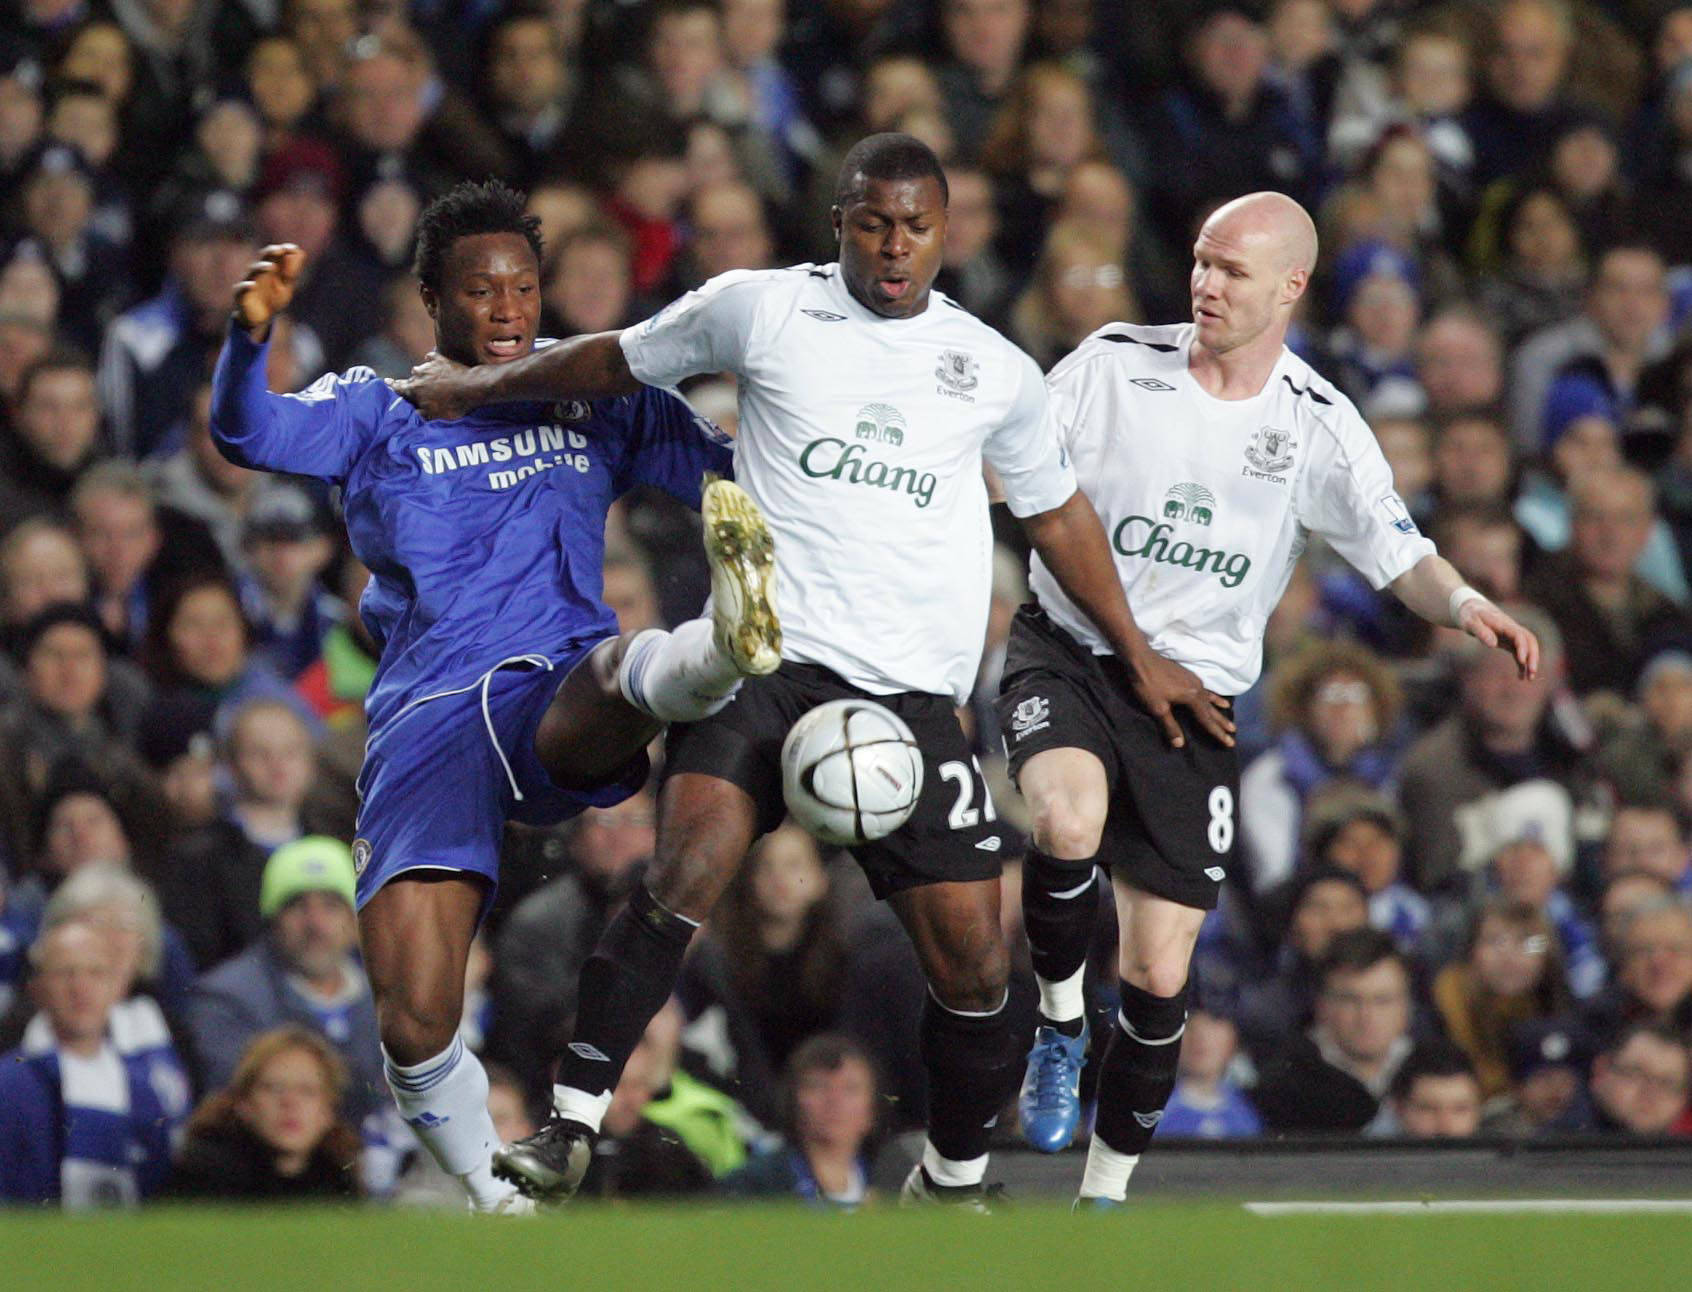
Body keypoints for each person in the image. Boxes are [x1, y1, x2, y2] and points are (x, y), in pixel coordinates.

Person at [392, 132, 1218, 1208]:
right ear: (840, 222)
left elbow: (1056, 514)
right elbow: (612, 358)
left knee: (977, 968)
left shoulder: (997, 373)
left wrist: (1139, 652)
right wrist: (471, 387)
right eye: (873, 222)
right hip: (770, 663)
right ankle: (571, 1122)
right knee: (682, 873)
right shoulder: (763, 308)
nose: (893, 245)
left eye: (915, 226)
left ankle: (953, 1178)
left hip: (912, 702)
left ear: (946, 232)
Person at [210, 178, 779, 1214]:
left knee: (617, 665)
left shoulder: (595, 398)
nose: (510, 310)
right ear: (433, 297)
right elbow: (247, 434)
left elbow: (735, 476)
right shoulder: (374, 410)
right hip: (428, 716)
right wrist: (247, 340)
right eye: (483, 291)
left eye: (525, 287)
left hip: (551, 683)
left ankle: (718, 652)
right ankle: (498, 1203)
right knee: (416, 1023)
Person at [994, 191, 1540, 1205]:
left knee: (1161, 977)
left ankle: (1102, 1198)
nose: (1205, 283)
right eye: (1201, 261)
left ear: (1291, 285)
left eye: (1232, 270)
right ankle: (1061, 1019)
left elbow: (1397, 551)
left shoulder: (1317, 424)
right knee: (1066, 820)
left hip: (1193, 707)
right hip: (1069, 652)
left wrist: (1466, 604)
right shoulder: (1112, 363)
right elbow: (1008, 459)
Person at [0, 921, 190, 1207]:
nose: (81, 987)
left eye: (96, 973)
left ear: (117, 988)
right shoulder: (9, 1084)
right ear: (37, 989)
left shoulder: (147, 1084)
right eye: (65, 973)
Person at [172, 1025, 363, 1202]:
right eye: (273, 1088)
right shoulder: (203, 1181)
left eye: (307, 1091)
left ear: (328, 1111)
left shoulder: (342, 1186)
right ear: (244, 1104)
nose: (290, 1103)